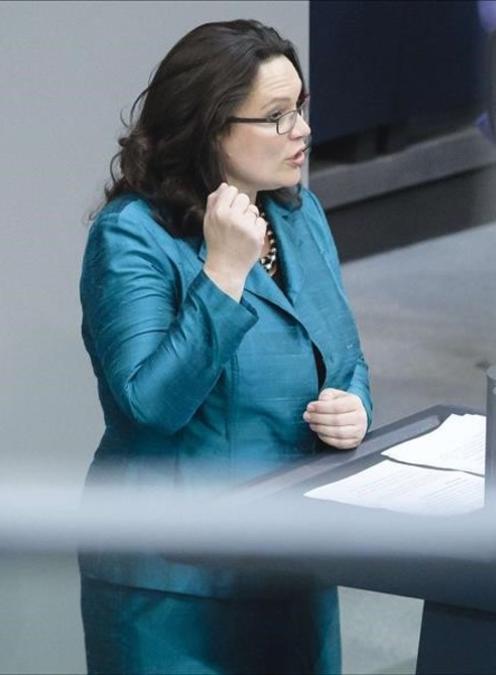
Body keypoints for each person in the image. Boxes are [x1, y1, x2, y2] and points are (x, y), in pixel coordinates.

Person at [78, 20, 372, 674]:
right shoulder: (130, 237)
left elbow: (344, 356)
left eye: (301, 107)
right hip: (171, 586)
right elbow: (149, 407)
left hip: (291, 563)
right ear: (210, 128)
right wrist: (223, 274)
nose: (302, 130)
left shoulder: (298, 212)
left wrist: (354, 406)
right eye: (275, 116)